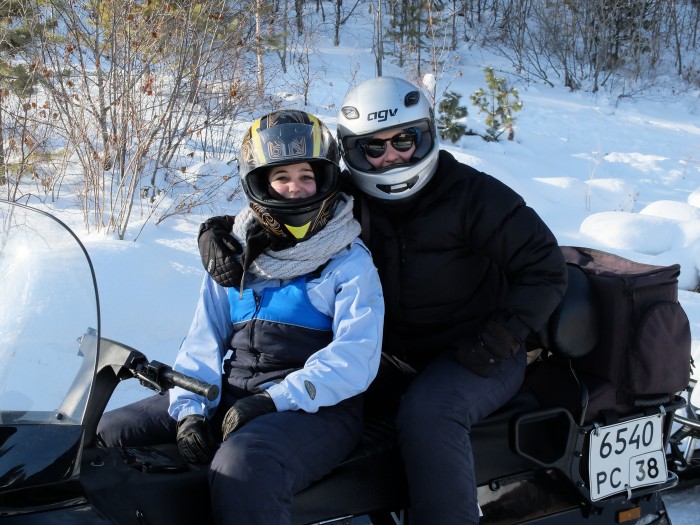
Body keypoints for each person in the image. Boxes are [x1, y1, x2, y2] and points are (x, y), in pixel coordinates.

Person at [97, 109, 384, 525]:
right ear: (260, 183)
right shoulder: (232, 253)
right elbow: (203, 339)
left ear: (325, 179)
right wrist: (192, 409)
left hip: (318, 405)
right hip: (230, 393)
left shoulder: (348, 261)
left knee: (244, 464)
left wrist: (274, 399)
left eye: (307, 176)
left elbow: (357, 356)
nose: (295, 189)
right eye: (280, 177)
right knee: (108, 433)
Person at [334, 76, 569, 524]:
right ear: (353, 152)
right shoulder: (344, 199)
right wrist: (224, 232)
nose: (392, 157)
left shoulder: (473, 195)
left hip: (480, 351)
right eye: (374, 148)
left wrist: (499, 338)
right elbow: (284, 211)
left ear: (427, 134)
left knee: (430, 413)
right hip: (388, 354)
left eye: (405, 139)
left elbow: (544, 265)